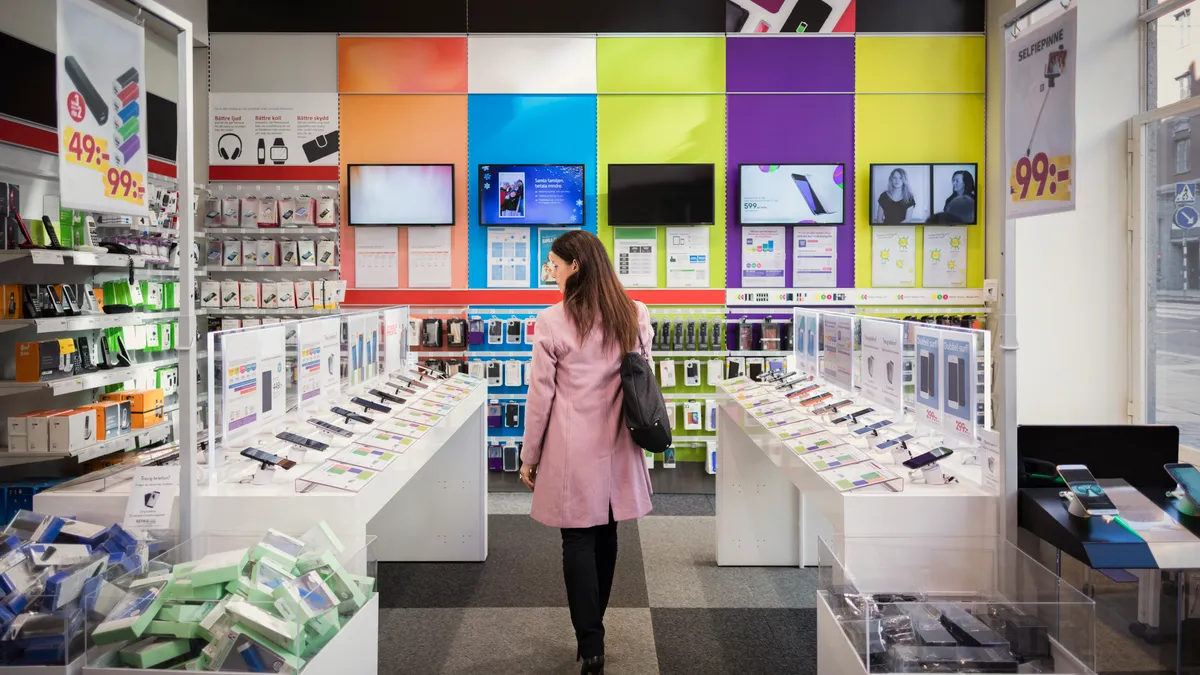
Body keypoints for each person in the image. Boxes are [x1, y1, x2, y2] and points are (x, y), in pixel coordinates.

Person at [519, 229, 653, 675]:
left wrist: (529, 455)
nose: (551, 273)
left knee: (576, 537)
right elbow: (643, 377)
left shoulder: (552, 320)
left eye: (554, 265)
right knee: (608, 531)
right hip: (619, 442)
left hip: (571, 449)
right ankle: (596, 630)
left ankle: (590, 640)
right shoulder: (633, 312)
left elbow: (541, 396)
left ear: (575, 266)